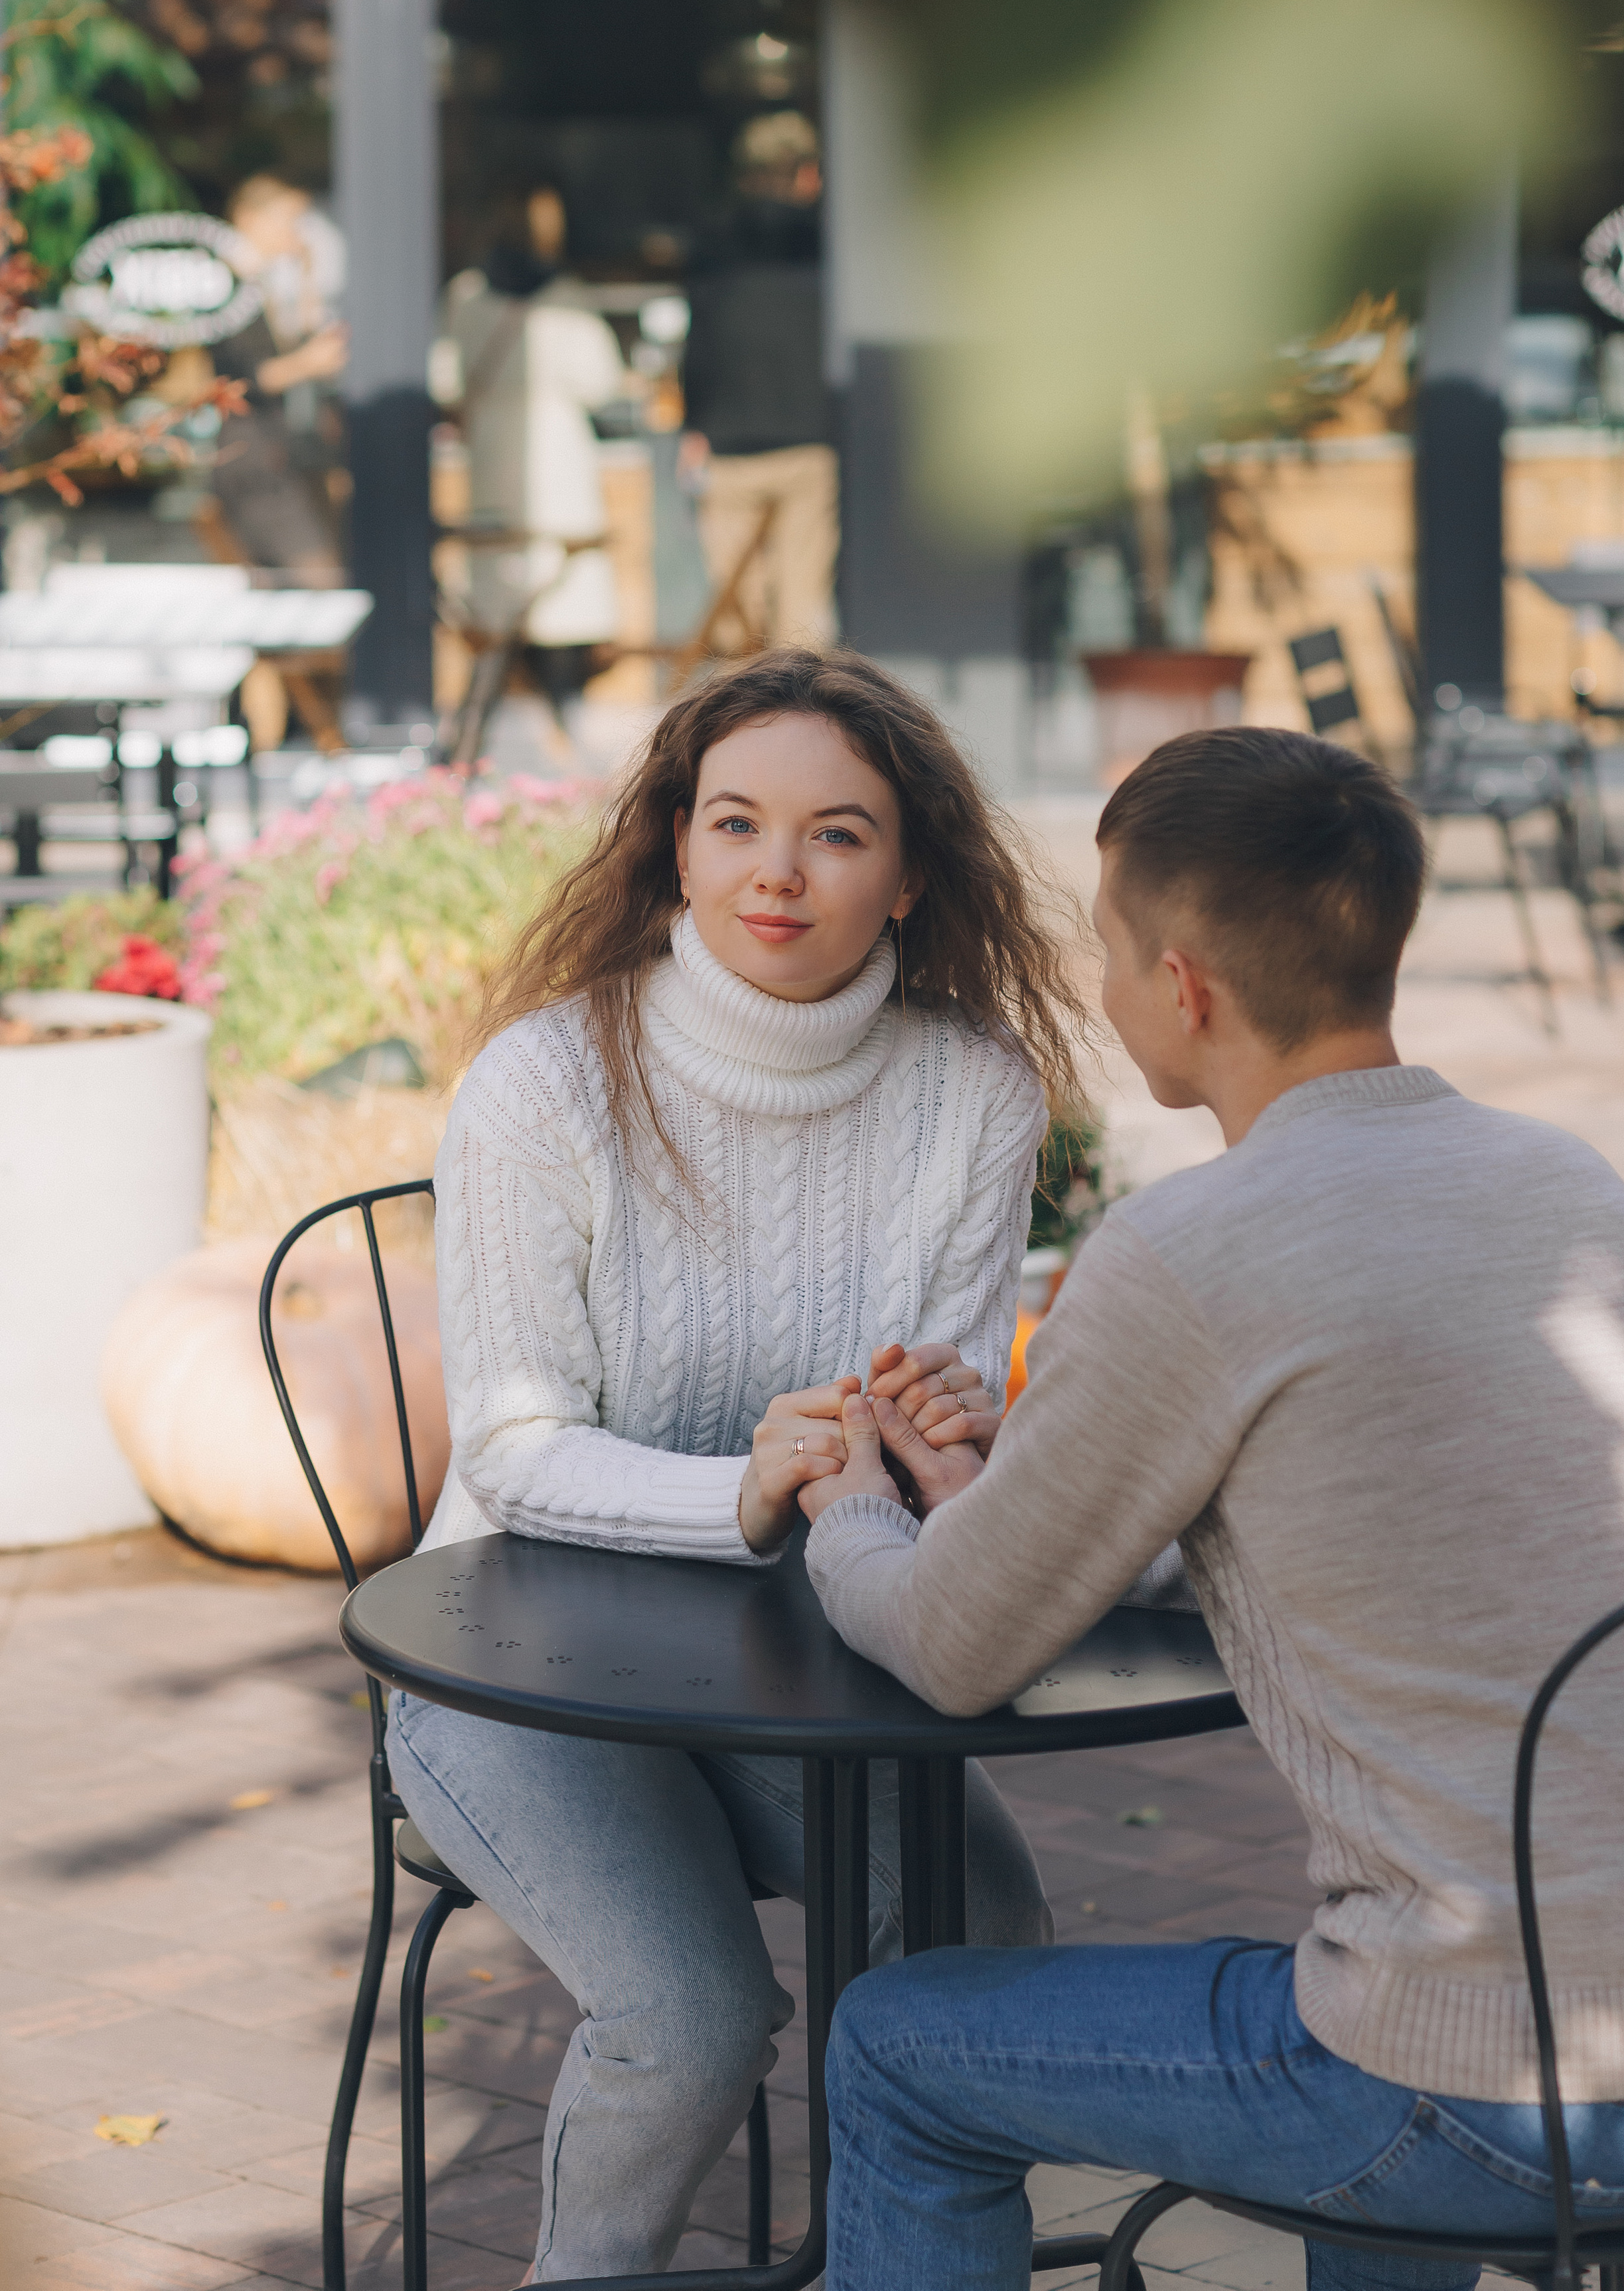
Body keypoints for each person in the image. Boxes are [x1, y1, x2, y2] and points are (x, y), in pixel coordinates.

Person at [802, 725, 1624, 2291]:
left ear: (1185, 984)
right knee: (1379, 1995)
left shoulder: (1185, 1248)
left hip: (1464, 2084)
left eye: (1103, 951)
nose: (1097, 988)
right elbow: (1359, 1509)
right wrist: (1014, 1495)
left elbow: (949, 1651)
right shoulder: (1562, 1184)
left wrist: (847, 1503)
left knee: (892, 2041)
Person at [384, 647, 1088, 2282]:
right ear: (672, 847)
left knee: (981, 1937)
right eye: (734, 824)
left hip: (806, 1655)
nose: (777, 871)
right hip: (512, 1667)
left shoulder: (970, 1088)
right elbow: (510, 1441)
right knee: (689, 2010)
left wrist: (935, 1438)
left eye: (837, 833)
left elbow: (931, 1402)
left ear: (909, 872)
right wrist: (745, 1490)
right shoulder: (547, 1081)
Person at [433, 186, 628, 738]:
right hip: (560, 447)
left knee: (502, 591)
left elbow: (444, 377)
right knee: (564, 586)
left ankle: (493, 728)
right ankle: (564, 723)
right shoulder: (565, 295)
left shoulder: (466, 296)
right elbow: (602, 380)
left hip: (493, 452)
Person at [680, 111, 838, 653]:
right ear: (807, 174)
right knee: (803, 610)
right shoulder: (831, 243)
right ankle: (804, 728)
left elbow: (696, 345)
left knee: (737, 614)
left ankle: (741, 725)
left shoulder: (711, 245)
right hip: (809, 437)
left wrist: (693, 425)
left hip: (726, 443)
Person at [208, 174, 351, 749]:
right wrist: (310, 365)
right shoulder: (224, 285)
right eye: (289, 221)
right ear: (251, 218)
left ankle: (281, 724)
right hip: (254, 466)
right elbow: (243, 378)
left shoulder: (265, 284)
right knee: (314, 586)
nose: (297, 234)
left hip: (275, 461)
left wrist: (309, 274)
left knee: (281, 597)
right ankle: (308, 724)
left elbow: (291, 343)